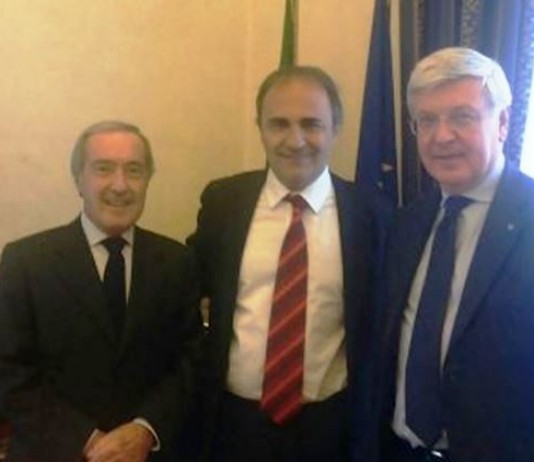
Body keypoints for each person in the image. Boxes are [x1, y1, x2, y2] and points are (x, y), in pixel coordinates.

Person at [187, 65, 391, 462]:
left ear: (336, 128)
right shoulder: (223, 202)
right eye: (279, 124)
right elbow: (191, 285)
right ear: (260, 128)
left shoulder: (372, 214)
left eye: (311, 124)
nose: (295, 141)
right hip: (233, 424)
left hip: (331, 426)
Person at [0, 120, 203, 462]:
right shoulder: (25, 262)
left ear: (148, 180)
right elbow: (8, 369)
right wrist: (87, 440)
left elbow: (190, 363)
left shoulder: (177, 262)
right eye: (103, 169)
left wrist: (145, 429)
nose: (120, 185)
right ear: (78, 179)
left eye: (134, 170)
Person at [374, 47, 534, 462]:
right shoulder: (406, 222)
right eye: (427, 120)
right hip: (399, 450)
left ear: (502, 123)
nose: (441, 136)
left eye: (462, 116)